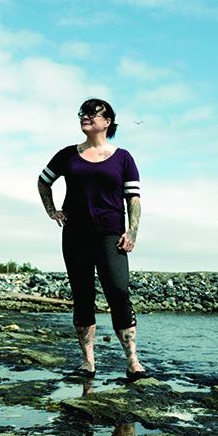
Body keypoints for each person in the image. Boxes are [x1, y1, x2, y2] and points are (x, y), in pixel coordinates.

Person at [37, 98, 148, 382]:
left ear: (107, 121)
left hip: (111, 236)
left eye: (92, 113)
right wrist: (52, 211)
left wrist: (132, 231)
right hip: (75, 236)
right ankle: (88, 363)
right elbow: (43, 181)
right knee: (83, 297)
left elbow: (133, 199)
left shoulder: (123, 157)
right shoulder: (67, 155)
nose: (85, 117)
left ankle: (133, 362)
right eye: (82, 113)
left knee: (119, 293)